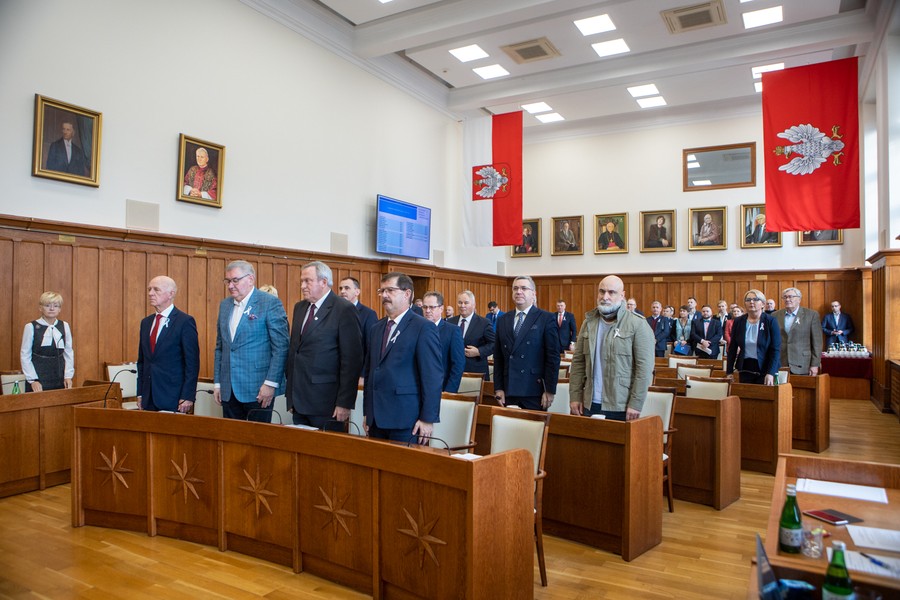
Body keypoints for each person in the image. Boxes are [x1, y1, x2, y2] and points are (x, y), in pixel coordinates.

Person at [362, 272, 441, 443]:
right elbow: (370, 372)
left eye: (390, 290)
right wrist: (368, 412)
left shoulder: (423, 327)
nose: (384, 295)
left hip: (406, 419)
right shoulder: (376, 329)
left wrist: (427, 418)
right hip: (376, 419)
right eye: (382, 291)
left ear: (407, 294)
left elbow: (432, 376)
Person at [285, 261, 363, 428]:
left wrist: (344, 402)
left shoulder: (344, 309)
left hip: (327, 403)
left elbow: (351, 360)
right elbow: (294, 352)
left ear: (324, 282)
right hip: (299, 401)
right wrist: (290, 397)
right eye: (302, 281)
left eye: (308, 281)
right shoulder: (299, 308)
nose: (302, 286)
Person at [569, 275, 654, 421]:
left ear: (622, 295)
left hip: (621, 405)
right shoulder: (588, 323)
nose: (605, 297)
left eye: (611, 292)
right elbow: (578, 363)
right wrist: (575, 396)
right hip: (589, 403)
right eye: (602, 291)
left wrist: (636, 403)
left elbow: (644, 369)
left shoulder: (638, 324)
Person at [213, 260, 290, 421]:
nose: (230, 286)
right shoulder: (225, 305)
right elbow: (220, 347)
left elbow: (281, 347)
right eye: (228, 281)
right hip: (228, 390)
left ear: (250, 279)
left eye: (235, 280)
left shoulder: (269, 303)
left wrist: (270, 383)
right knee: (230, 436)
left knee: (258, 436)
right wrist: (218, 383)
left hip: (259, 388)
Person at [493, 276, 560, 411]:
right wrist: (498, 388)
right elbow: (498, 358)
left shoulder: (546, 318)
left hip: (534, 390)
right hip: (509, 390)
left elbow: (553, 358)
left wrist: (549, 390)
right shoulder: (503, 320)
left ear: (533, 294)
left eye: (524, 288)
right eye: (515, 288)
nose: (519, 291)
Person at [136, 276, 200, 413]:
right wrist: (140, 393)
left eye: (156, 289)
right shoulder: (146, 323)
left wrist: (187, 396)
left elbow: (192, 363)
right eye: (149, 289)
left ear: (171, 294)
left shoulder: (184, 321)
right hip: (148, 396)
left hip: (173, 396)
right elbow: (142, 362)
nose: (150, 293)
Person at [20, 291, 74, 392]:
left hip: (59, 377)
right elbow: (25, 355)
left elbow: (68, 353)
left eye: (56, 306)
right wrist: (33, 380)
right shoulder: (30, 327)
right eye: (48, 305)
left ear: (60, 309)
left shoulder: (64, 326)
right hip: (38, 377)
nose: (52, 309)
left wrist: (68, 376)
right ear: (40, 308)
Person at [726, 289, 781, 385]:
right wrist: (729, 372)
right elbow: (732, 348)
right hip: (745, 367)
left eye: (755, 299)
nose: (751, 302)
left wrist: (771, 373)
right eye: (748, 300)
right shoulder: (739, 321)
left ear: (763, 304)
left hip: (765, 367)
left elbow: (775, 349)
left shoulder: (770, 321)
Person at [774, 287, 823, 376]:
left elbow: (817, 343)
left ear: (799, 299)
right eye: (785, 297)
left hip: (803, 364)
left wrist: (815, 364)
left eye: (790, 297)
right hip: (781, 363)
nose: (787, 299)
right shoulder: (775, 315)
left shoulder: (811, 315)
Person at [423, 291, 465, 393]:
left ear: (441, 308)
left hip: (441, 389)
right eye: (425, 307)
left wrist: (449, 392)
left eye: (432, 307)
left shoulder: (452, 331)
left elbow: (458, 365)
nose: (427, 311)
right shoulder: (417, 329)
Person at [447, 290, 495, 379]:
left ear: (473, 305)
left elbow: (494, 344)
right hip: (452, 372)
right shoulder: (450, 322)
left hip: (475, 372)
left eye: (466, 303)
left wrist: (479, 351)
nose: (462, 306)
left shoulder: (484, 323)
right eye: (460, 302)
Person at [338, 276, 378, 363]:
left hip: (357, 366)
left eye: (347, 288)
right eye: (341, 288)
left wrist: (364, 371)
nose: (342, 291)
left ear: (357, 292)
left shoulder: (368, 314)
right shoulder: (335, 312)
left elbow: (370, 346)